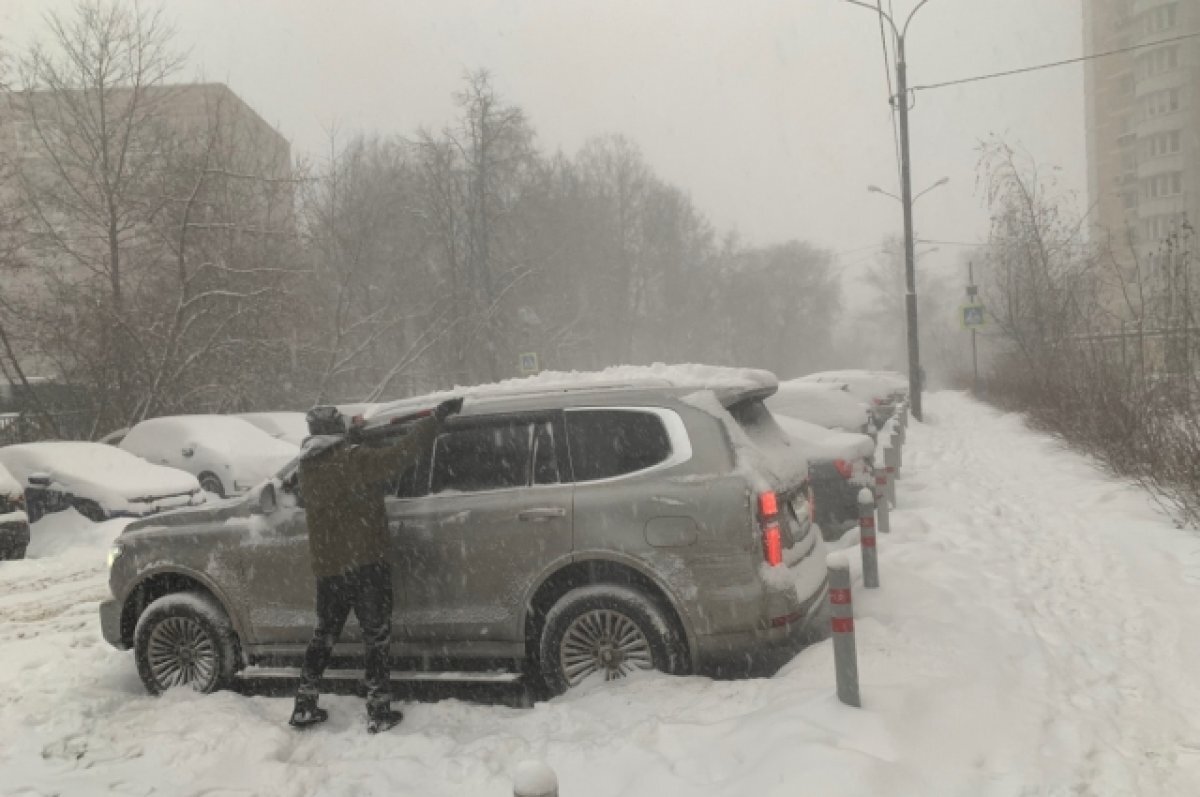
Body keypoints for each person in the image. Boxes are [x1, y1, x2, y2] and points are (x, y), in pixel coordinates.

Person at [289, 397, 463, 733]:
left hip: (329, 568)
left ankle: (304, 704)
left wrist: (350, 434)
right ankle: (378, 709)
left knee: (324, 635)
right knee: (376, 637)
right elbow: (401, 455)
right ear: (337, 431)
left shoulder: (305, 468)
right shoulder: (355, 459)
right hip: (366, 563)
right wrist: (434, 421)